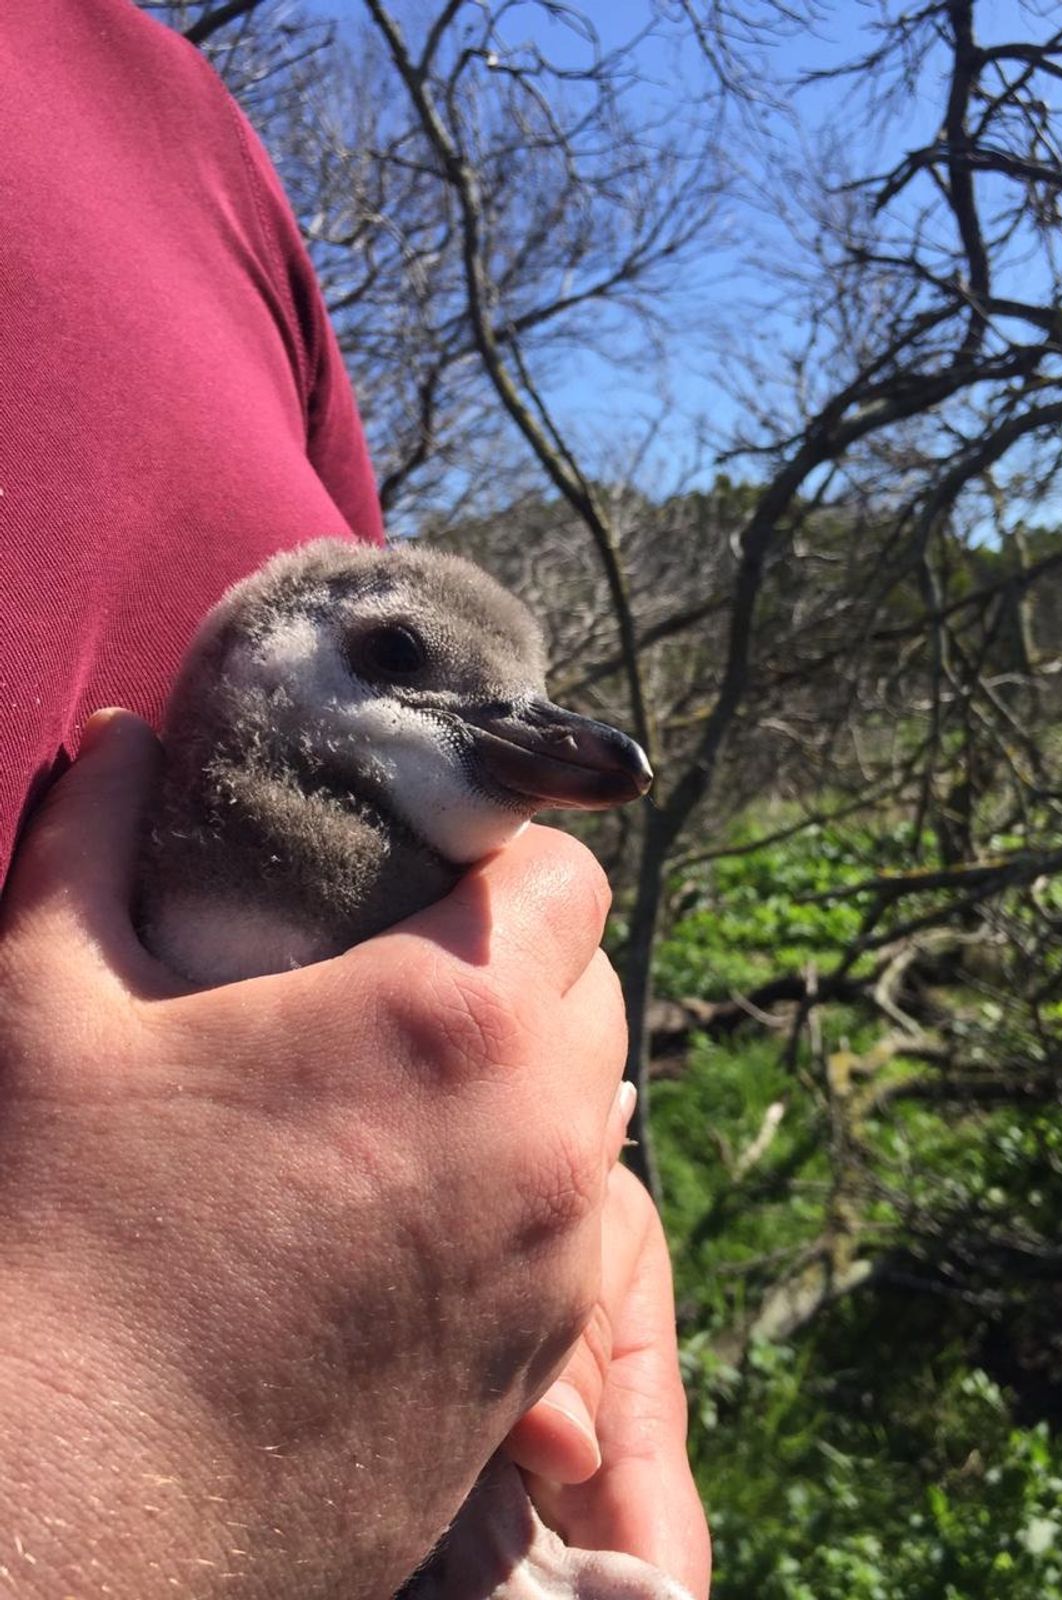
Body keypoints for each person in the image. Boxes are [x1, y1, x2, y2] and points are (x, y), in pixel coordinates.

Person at [0, 1, 710, 1595]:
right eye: (400, 660)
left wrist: (548, 1218)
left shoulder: (179, 127)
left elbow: (429, 1061)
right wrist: (111, 1444)